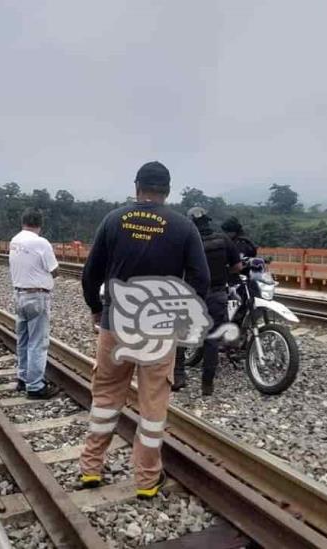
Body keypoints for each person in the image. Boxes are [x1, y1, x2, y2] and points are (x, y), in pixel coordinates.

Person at [79, 161, 209, 499]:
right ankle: (147, 479)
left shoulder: (113, 220)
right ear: (167, 190)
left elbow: (90, 274)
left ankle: (91, 468)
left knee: (106, 396)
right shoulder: (183, 227)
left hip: (115, 325)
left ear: (137, 186)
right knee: (153, 405)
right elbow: (201, 280)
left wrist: (96, 309)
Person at [173, 207, 242, 396]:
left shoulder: (186, 242)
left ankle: (178, 377)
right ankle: (207, 384)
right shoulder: (223, 240)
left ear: (191, 223)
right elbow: (237, 266)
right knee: (212, 338)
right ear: (207, 221)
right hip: (217, 295)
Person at [8, 208, 60, 399]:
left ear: (23, 222)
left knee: (23, 339)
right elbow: (54, 269)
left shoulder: (14, 240)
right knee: (37, 342)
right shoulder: (41, 242)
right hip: (37, 296)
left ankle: (23, 378)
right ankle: (35, 386)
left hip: (19, 294)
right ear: (40, 224)